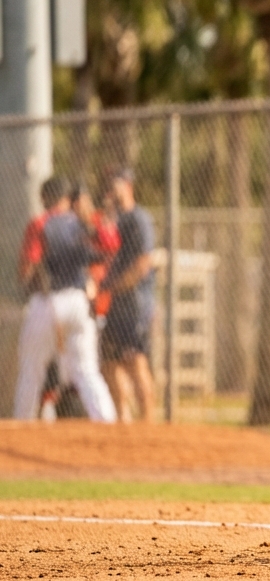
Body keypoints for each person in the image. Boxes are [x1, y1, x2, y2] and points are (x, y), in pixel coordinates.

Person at [13, 177, 117, 422]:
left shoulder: (40, 223)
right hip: (79, 301)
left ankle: (22, 424)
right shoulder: (83, 224)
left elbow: (27, 267)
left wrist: (27, 282)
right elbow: (109, 246)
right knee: (87, 370)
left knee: (32, 368)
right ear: (68, 199)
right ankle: (107, 423)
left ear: (45, 198)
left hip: (48, 303)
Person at [100, 169, 159, 422]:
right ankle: (122, 420)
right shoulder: (113, 220)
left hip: (134, 301)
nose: (113, 191)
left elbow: (143, 263)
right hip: (115, 303)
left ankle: (147, 422)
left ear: (129, 186)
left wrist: (115, 286)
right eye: (111, 187)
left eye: (118, 185)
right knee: (110, 362)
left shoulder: (138, 218)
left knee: (135, 360)